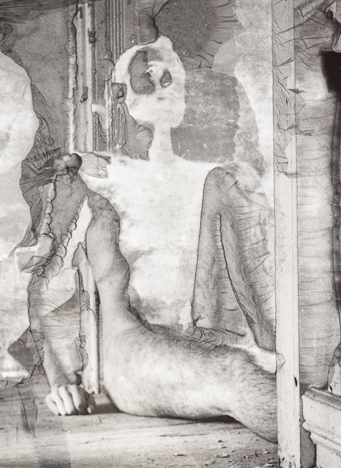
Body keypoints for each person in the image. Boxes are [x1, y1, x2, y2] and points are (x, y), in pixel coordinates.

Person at [27, 36, 278, 441]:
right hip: (134, 346)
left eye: (171, 78)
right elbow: (44, 287)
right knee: (237, 375)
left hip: (212, 333)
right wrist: (62, 382)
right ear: (120, 95)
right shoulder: (95, 179)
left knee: (232, 180)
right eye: (150, 79)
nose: (165, 88)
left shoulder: (211, 176)